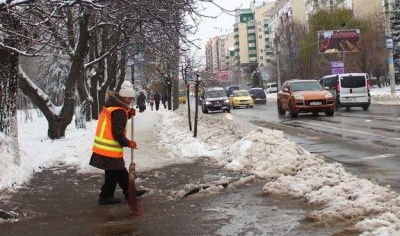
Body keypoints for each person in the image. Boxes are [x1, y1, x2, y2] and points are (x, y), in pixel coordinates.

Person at [90, 80, 145, 205]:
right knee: (112, 174)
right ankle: (105, 196)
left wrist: (128, 114)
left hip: (104, 147)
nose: (130, 101)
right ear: (123, 96)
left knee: (119, 171)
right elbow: (118, 133)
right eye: (128, 98)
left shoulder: (112, 106)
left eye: (131, 98)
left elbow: (116, 121)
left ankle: (129, 192)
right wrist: (128, 143)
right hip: (108, 148)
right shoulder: (119, 111)